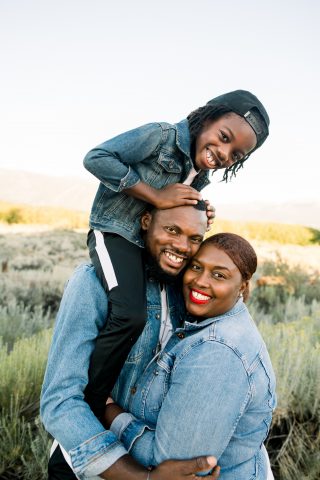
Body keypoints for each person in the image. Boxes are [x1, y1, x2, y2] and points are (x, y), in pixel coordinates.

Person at [83, 90, 270, 419]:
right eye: (223, 137)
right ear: (207, 118)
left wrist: (201, 209)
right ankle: (93, 399)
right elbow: (97, 157)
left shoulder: (200, 174)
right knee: (130, 314)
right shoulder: (162, 136)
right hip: (115, 233)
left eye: (236, 154)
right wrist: (153, 194)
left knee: (179, 309)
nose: (225, 153)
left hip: (150, 246)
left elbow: (177, 209)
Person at [42, 203, 222, 479]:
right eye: (172, 230)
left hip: (154, 457)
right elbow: (60, 402)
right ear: (146, 222)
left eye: (194, 238)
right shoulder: (92, 283)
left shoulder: (184, 292)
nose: (183, 246)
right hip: (89, 466)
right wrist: (141, 477)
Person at [102, 233, 277, 479]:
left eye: (219, 275)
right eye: (196, 267)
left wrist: (110, 412)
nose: (200, 281)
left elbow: (175, 465)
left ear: (243, 286)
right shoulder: (209, 323)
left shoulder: (218, 351)